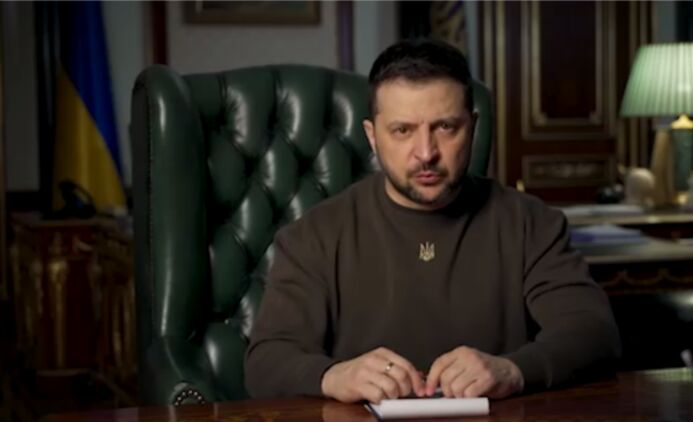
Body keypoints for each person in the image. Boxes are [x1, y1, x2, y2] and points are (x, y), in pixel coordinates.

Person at [244, 38, 620, 403]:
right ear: (372, 137)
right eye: (402, 130)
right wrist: (334, 376)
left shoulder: (531, 223)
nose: (426, 153)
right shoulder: (313, 235)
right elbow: (265, 363)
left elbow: (594, 333)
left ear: (472, 127)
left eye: (445, 127)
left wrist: (513, 370)